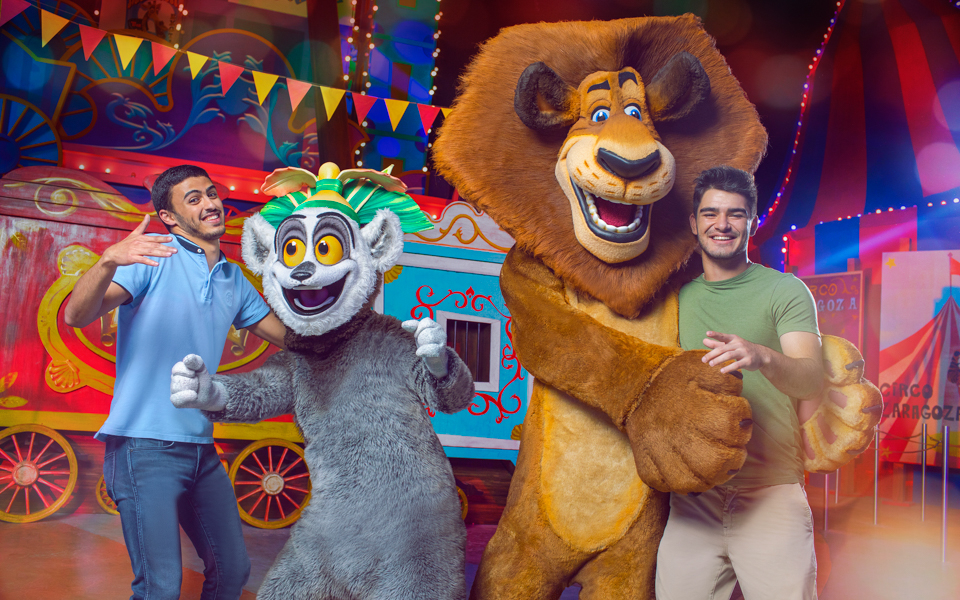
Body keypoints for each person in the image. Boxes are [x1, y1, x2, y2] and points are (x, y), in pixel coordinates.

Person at [64, 164, 288, 600]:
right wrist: (109, 258)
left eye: (211, 193)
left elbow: (289, 338)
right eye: (194, 199)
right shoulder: (153, 256)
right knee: (160, 587)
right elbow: (76, 316)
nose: (210, 203)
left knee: (232, 571)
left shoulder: (232, 277)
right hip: (142, 448)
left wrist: (354, 328)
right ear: (168, 216)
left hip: (201, 451)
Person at [655, 165, 824, 600]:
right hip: (694, 501)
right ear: (694, 223)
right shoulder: (677, 300)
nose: (722, 224)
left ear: (751, 221)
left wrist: (762, 355)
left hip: (770, 497)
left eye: (735, 214)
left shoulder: (785, 291)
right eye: (711, 213)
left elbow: (811, 379)